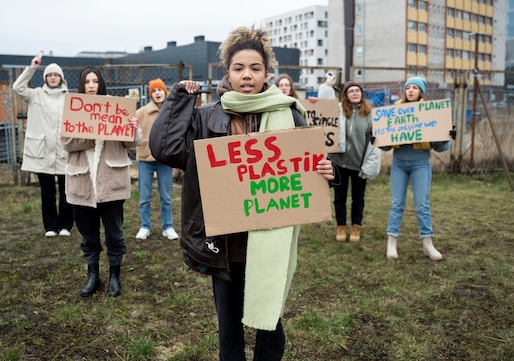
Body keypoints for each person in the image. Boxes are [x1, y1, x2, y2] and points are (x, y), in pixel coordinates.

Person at [149, 25, 335, 361]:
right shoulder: (206, 118)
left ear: (267, 73)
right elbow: (167, 150)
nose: (246, 75)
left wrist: (327, 172)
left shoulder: (290, 114)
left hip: (270, 242)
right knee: (229, 328)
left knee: (270, 326)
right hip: (226, 246)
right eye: (238, 68)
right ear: (228, 73)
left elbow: (312, 163)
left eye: (255, 68)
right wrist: (179, 101)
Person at [61, 67, 142, 297]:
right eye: (87, 81)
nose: (91, 85)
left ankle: (115, 276)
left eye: (95, 81)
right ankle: (93, 275)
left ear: (101, 84)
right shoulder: (73, 109)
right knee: (88, 235)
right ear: (81, 84)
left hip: (111, 184)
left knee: (114, 233)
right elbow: (67, 142)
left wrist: (133, 129)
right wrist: (92, 129)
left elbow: (132, 142)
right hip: (82, 183)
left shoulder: (115, 109)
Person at [380, 76, 456, 261]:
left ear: (421, 92)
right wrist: (377, 140)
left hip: (421, 164)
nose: (411, 90)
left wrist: (447, 136)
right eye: (408, 87)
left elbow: (439, 146)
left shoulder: (430, 113)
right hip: (399, 163)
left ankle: (427, 244)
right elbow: (386, 145)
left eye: (415, 87)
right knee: (397, 204)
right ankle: (392, 242)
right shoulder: (394, 112)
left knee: (422, 204)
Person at [13, 55, 73, 237]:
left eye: (56, 75)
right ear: (45, 77)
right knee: (47, 192)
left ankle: (65, 225)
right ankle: (50, 226)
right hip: (42, 151)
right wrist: (32, 68)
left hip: (63, 150)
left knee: (66, 191)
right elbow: (17, 87)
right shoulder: (35, 94)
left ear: (61, 78)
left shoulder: (70, 98)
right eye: (49, 75)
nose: (53, 77)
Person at [322, 81, 381, 242]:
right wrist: (316, 101)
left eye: (357, 91)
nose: (355, 93)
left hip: (359, 164)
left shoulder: (369, 114)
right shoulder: (339, 110)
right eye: (351, 91)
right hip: (339, 162)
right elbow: (323, 108)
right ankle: (341, 226)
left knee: (358, 198)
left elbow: (375, 138)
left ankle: (356, 226)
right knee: (339, 197)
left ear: (362, 94)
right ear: (346, 95)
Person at [134, 78, 178, 241]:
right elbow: (134, 135)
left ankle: (168, 226)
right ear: (150, 94)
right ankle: (145, 226)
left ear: (165, 92)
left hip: (165, 160)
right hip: (145, 159)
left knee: (166, 196)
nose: (157, 93)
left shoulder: (172, 111)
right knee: (145, 196)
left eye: (160, 90)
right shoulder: (141, 113)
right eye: (154, 91)